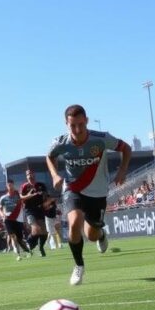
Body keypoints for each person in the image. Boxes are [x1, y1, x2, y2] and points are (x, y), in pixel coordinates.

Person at [45, 104, 131, 285]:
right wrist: (54, 175)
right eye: (72, 125)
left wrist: (122, 170)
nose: (77, 129)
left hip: (98, 192)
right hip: (72, 188)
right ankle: (79, 266)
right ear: (66, 124)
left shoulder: (101, 139)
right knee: (74, 222)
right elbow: (49, 156)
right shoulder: (60, 142)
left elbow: (126, 148)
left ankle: (100, 235)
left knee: (91, 235)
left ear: (87, 121)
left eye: (81, 125)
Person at [0, 180, 33, 261]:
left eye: (11, 185)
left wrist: (31, 195)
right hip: (8, 219)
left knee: (20, 238)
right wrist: (2, 215)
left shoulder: (17, 194)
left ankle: (27, 251)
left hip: (17, 219)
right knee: (13, 236)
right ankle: (18, 254)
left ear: (13, 185)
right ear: (7, 186)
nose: (10, 187)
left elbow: (23, 197)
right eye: (8, 185)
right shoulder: (3, 198)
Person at [20, 169, 49, 257]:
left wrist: (48, 204)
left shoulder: (41, 185)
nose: (30, 175)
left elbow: (46, 197)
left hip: (40, 210)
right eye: (28, 174)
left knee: (44, 232)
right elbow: (21, 197)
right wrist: (30, 195)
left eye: (31, 173)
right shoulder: (25, 186)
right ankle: (28, 244)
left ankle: (40, 247)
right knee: (36, 229)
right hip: (29, 210)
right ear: (26, 176)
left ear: (34, 174)